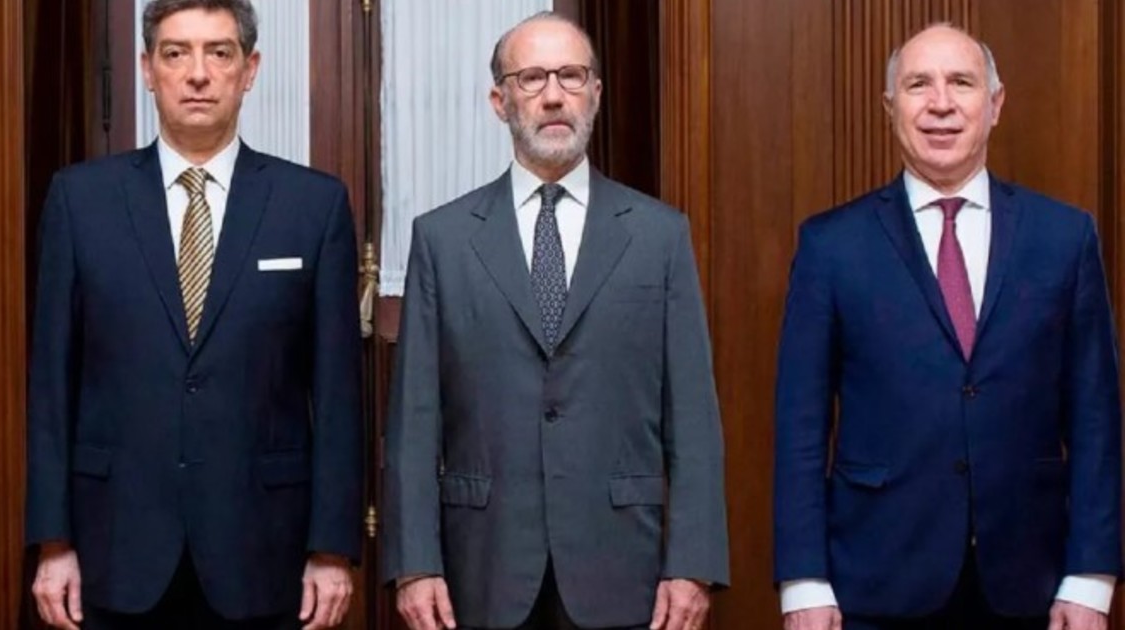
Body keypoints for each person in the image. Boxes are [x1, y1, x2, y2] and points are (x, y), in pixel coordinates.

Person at [382, 11, 729, 630]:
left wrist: (693, 562)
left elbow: (694, 416)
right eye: (532, 78)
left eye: (571, 76)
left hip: (623, 567)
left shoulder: (659, 236)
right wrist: (415, 564)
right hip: (481, 569)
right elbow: (415, 419)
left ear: (595, 93)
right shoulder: (442, 239)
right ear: (500, 100)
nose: (552, 95)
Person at [25, 1, 362, 627]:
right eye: (176, 53)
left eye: (219, 52)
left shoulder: (312, 206)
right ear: (147, 69)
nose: (198, 73)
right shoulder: (80, 200)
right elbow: (50, 383)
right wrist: (53, 541)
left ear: (249, 69)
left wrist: (332, 548)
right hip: (113, 546)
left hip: (264, 550)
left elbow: (339, 393)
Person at [774, 24, 1122, 630]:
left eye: (961, 82)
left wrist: (1091, 578)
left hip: (1034, 588)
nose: (941, 103)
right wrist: (803, 582)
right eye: (918, 85)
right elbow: (800, 426)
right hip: (874, 586)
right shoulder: (831, 246)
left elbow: (1096, 418)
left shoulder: (1064, 238)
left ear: (995, 103)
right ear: (890, 107)